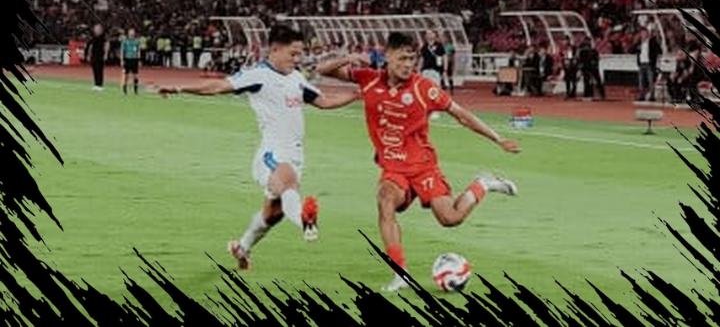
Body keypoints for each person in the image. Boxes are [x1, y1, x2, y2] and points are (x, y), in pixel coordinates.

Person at [317, 32, 521, 292]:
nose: (408, 65)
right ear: (387, 56)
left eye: (412, 59)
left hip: (423, 167)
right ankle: (400, 274)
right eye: (402, 58)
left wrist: (497, 138)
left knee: (450, 218)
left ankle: (483, 184)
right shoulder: (369, 79)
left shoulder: (424, 88)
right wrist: (350, 57)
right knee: (385, 200)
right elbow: (324, 70)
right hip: (394, 169)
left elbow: (461, 115)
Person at [156, 25, 360, 270]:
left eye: (300, 54)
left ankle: (242, 247)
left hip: (296, 154)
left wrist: (358, 94)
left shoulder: (296, 78)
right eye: (293, 54)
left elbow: (324, 101)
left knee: (273, 214)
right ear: (274, 50)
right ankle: (306, 221)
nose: (297, 59)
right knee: (288, 182)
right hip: (272, 153)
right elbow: (218, 86)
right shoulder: (258, 75)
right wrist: (179, 87)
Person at [634, 28, 662, 102]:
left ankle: (652, 96)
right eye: (642, 34)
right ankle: (642, 95)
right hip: (642, 63)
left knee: (651, 80)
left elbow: (659, 50)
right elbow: (634, 50)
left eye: (645, 33)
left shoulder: (652, 42)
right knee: (641, 80)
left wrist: (654, 59)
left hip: (649, 63)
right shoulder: (639, 43)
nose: (644, 35)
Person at [84, 24, 109, 91]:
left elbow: (106, 45)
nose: (96, 30)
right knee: (94, 70)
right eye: (95, 29)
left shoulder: (104, 38)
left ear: (101, 30)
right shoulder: (92, 38)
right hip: (94, 56)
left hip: (100, 55)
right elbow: (90, 47)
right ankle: (96, 84)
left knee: (100, 70)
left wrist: (106, 54)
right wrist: (88, 55)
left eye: (98, 29)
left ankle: (100, 84)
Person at [120, 28, 141, 95]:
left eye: (132, 33)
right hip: (127, 59)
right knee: (126, 75)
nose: (131, 34)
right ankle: (125, 88)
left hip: (134, 59)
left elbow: (138, 50)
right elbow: (122, 51)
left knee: (135, 75)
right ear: (128, 34)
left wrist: (139, 59)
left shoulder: (137, 41)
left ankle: (135, 89)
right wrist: (122, 60)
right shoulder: (125, 41)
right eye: (130, 33)